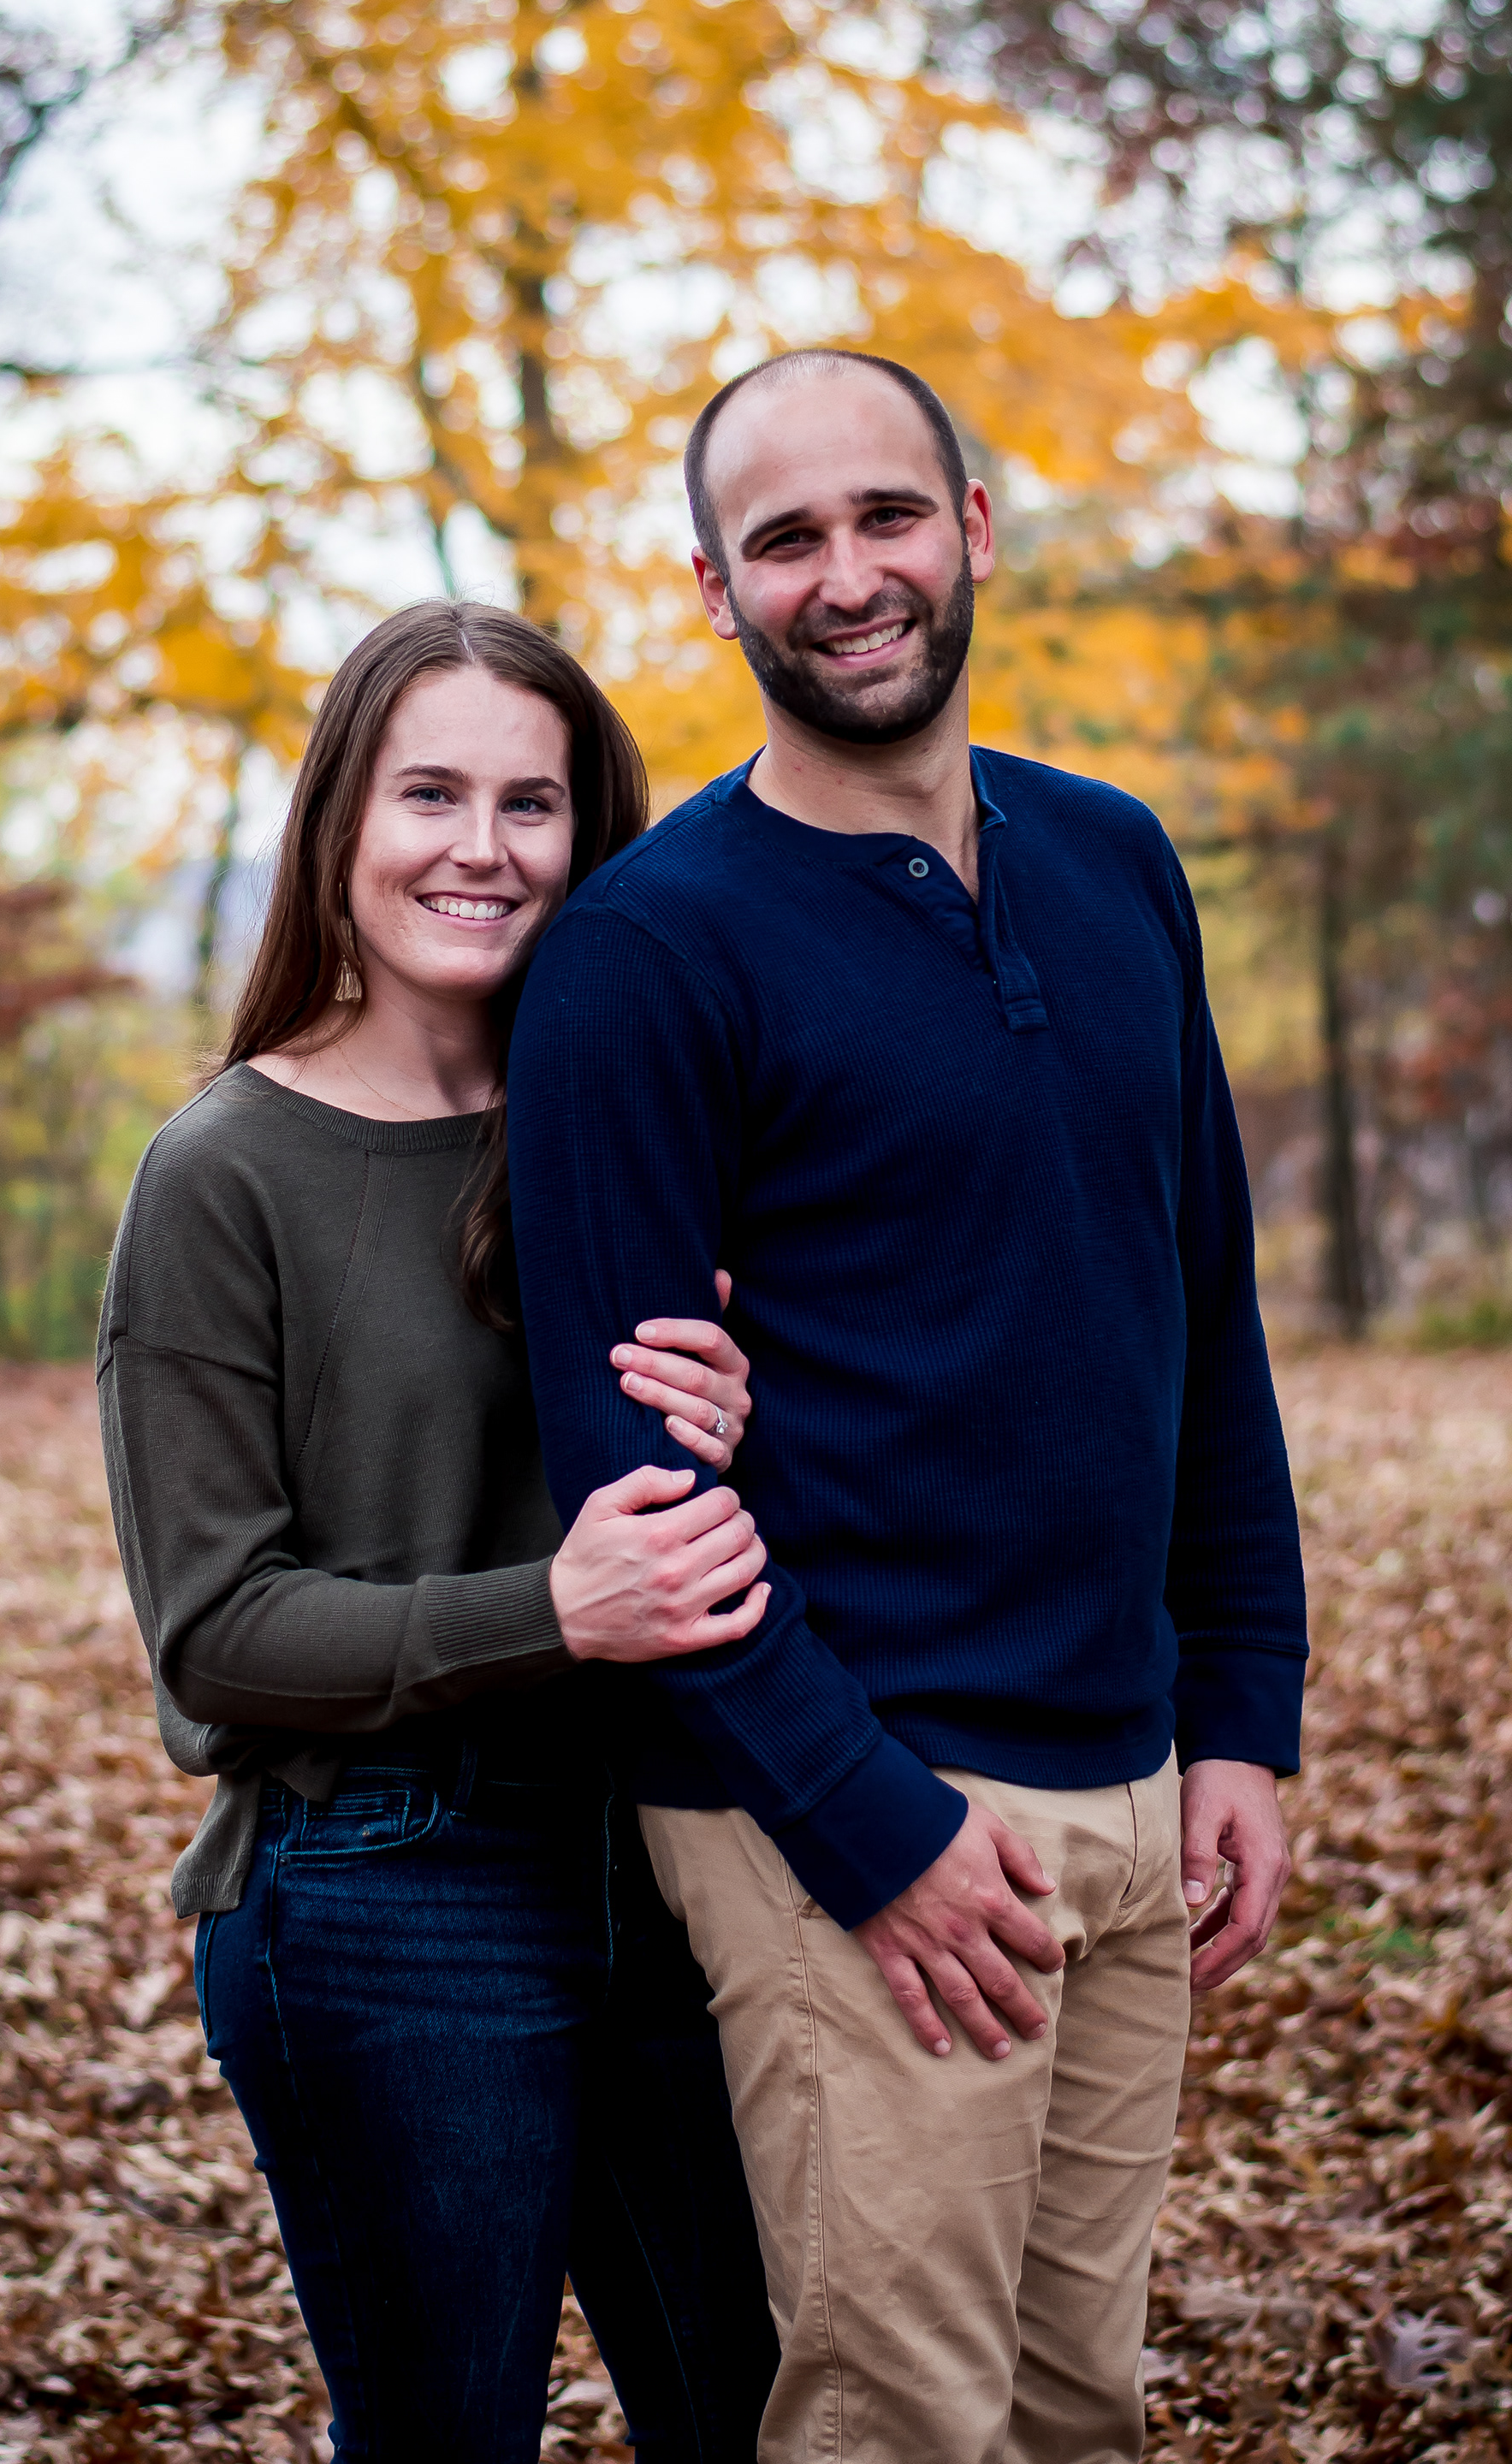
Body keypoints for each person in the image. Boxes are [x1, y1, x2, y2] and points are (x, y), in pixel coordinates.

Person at [505, 348, 1309, 2464]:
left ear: (973, 527)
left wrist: (1244, 1713)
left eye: (886, 516)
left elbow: (1201, 1317)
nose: (848, 576)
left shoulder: (1118, 862)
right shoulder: (647, 955)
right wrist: (869, 1831)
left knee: (1075, 2412)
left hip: (1129, 1769)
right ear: (715, 591)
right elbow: (634, 1490)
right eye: (785, 540)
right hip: (850, 1802)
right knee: (899, 2425)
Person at [96, 601, 780, 2464]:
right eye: (431, 794)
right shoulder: (222, 1172)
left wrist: (750, 1423)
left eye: (530, 804)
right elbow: (215, 1634)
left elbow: (726, 1526)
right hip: (390, 1884)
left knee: (763, 2422)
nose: (482, 848)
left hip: (679, 1858)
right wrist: (553, 1608)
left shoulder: (635, 1121)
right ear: (341, 819)